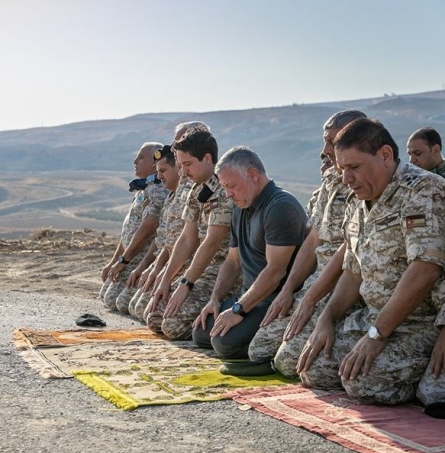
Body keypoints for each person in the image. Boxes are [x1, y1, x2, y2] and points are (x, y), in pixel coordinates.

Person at [298, 118, 445, 405]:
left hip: (418, 322)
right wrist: (326, 319)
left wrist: (377, 336)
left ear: (385, 156)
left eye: (353, 167)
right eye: (342, 169)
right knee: (309, 367)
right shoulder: (359, 197)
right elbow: (353, 271)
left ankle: (426, 377)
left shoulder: (424, 190)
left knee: (364, 383)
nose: (346, 179)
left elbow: (424, 270)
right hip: (373, 318)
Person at [248, 110, 367, 376]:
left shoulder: (364, 181)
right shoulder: (331, 182)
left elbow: (348, 250)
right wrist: (289, 289)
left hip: (342, 284)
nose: (325, 150)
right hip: (315, 280)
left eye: (332, 142)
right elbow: (314, 238)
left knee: (290, 362)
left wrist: (312, 300)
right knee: (259, 349)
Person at [196, 147, 307, 359]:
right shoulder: (240, 207)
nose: (228, 194)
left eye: (231, 186)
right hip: (249, 294)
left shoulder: (280, 207)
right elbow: (233, 261)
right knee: (201, 333)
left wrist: (238, 310)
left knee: (224, 344)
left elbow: (275, 271)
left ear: (253, 175)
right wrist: (215, 299)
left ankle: (282, 347)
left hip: (274, 300)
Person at [145, 127, 234, 340]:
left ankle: (218, 323)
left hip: (223, 270)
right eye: (181, 165)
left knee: (173, 326)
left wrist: (186, 284)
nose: (184, 172)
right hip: (199, 268)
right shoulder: (197, 189)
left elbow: (212, 243)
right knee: (154, 317)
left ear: (207, 158)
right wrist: (166, 279)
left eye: (188, 164)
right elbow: (187, 238)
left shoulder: (224, 189)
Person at [126, 121, 209, 321]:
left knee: (159, 319)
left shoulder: (208, 186)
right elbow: (169, 237)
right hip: (173, 261)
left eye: (180, 140)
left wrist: (173, 278)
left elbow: (197, 241)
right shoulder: (180, 186)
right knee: (136, 308)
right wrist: (156, 269)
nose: (174, 147)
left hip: (198, 265)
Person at [99, 142, 166, 312]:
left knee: (117, 302)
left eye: (141, 157)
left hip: (138, 258)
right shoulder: (143, 188)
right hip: (128, 257)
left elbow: (147, 229)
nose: (135, 161)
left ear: (154, 161)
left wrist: (124, 260)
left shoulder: (157, 190)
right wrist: (114, 261)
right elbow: (128, 231)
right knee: (105, 296)